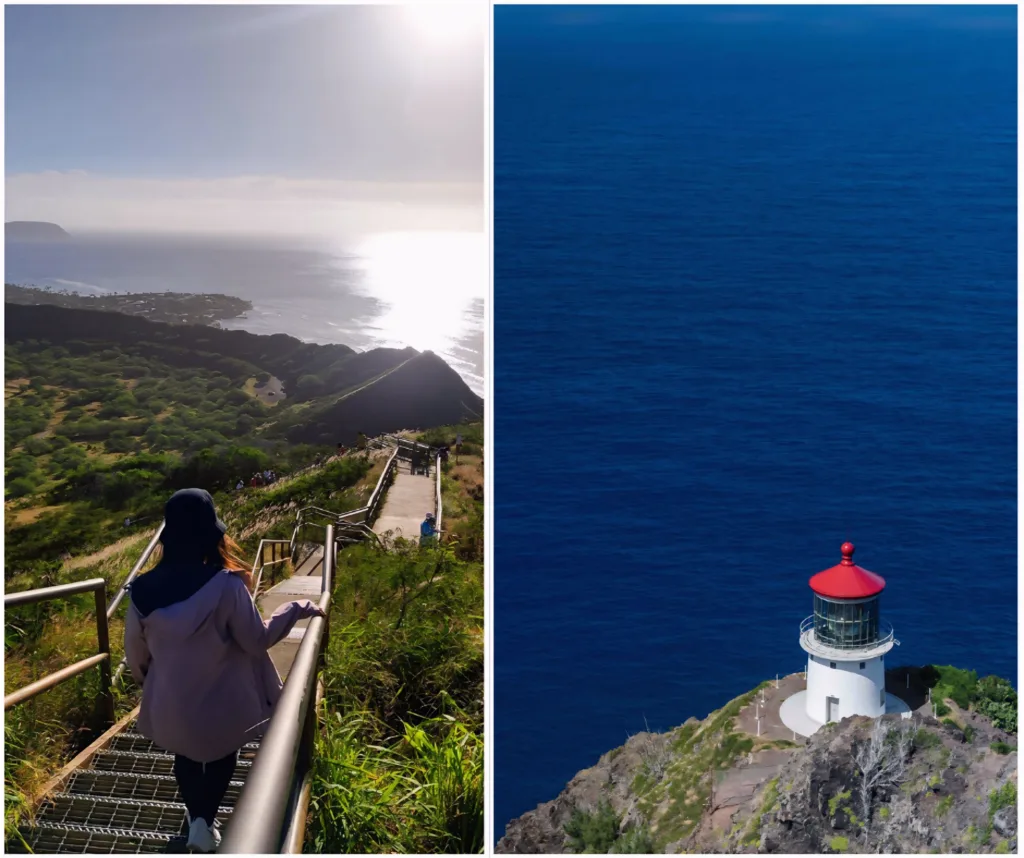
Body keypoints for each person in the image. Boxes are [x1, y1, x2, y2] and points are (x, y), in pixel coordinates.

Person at [124, 489, 324, 853]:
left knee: (184, 755)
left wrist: (152, 683)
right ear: (212, 535)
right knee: (220, 756)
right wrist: (294, 609)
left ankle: (198, 821)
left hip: (172, 700)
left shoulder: (140, 590)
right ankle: (203, 824)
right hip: (222, 702)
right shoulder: (227, 585)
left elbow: (135, 656)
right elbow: (255, 640)